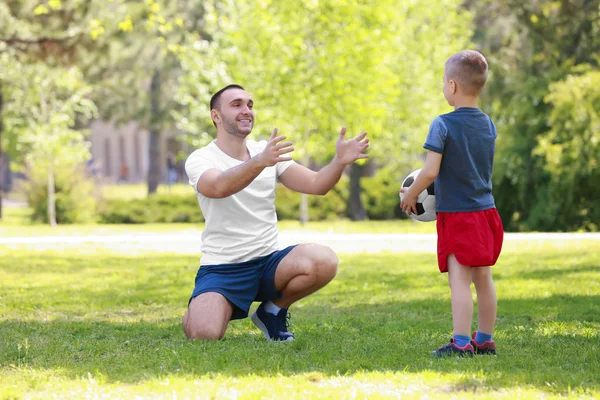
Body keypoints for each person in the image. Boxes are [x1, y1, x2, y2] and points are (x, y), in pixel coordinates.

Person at [183, 84, 369, 341]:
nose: (246, 110)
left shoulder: (266, 152)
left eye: (249, 104)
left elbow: (317, 185)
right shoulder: (201, 158)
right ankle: (204, 305)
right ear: (216, 115)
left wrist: (339, 162)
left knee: (324, 260)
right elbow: (217, 187)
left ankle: (271, 311)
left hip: (269, 264)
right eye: (236, 104)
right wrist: (259, 161)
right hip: (223, 269)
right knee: (204, 335)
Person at [400, 50, 503, 357]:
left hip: (459, 216)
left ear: (453, 86)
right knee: (483, 278)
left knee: (459, 280)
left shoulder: (442, 124)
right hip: (486, 213)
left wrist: (410, 194)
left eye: (444, 82)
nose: (443, 87)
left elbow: (430, 171)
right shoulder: (488, 124)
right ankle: (484, 338)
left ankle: (460, 343)